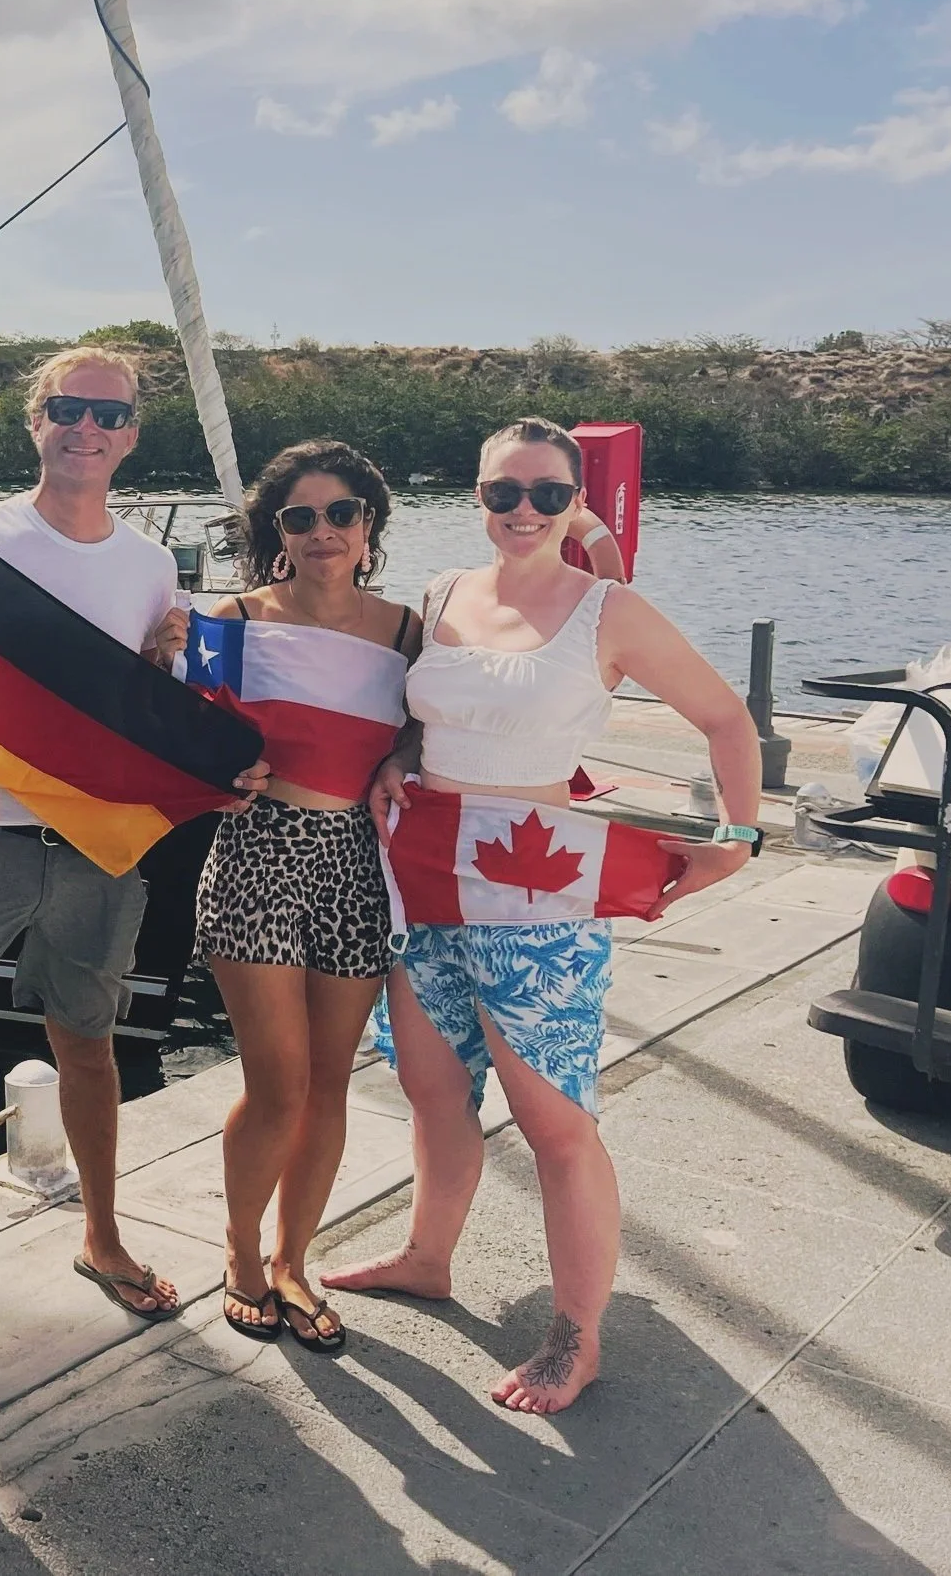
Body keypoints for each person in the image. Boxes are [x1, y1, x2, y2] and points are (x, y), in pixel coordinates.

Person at [325, 417, 759, 1413]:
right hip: (426, 878)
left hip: (538, 897)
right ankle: (426, 1257)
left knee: (554, 1123)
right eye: (501, 493)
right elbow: (418, 721)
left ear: (575, 504)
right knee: (434, 1092)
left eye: (545, 494)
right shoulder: (437, 596)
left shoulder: (606, 611)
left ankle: (576, 1335)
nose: (522, 512)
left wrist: (734, 838)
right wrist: (396, 758)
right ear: (475, 497)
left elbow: (724, 717)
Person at [0, 343, 259, 1325]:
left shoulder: (151, 564)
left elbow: (134, 704)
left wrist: (166, 669)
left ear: (131, 437)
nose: (86, 429)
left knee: (91, 1045)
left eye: (107, 415)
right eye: (67, 409)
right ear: (35, 423)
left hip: (96, 846)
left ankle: (100, 1234)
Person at [183, 441, 417, 1354]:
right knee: (278, 1085)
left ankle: (293, 1261)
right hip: (260, 852)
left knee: (328, 1086)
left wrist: (400, 757)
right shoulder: (230, 618)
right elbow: (183, 742)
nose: (324, 531)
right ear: (275, 533)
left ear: (369, 525)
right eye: (300, 516)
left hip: (358, 862)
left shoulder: (407, 632)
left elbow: (430, 735)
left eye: (342, 512)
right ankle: (241, 1255)